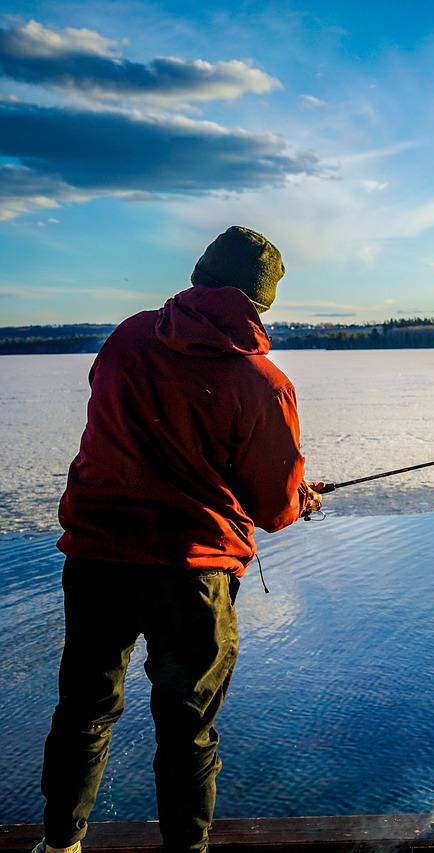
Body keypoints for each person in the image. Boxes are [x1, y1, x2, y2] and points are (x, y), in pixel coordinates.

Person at [34, 226, 325, 853]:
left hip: (98, 557)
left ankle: (59, 845)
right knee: (187, 729)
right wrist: (302, 497)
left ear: (199, 275)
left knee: (84, 712)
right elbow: (274, 508)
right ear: (260, 301)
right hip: (193, 574)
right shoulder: (264, 383)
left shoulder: (127, 336)